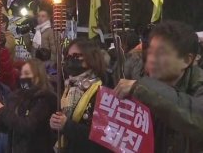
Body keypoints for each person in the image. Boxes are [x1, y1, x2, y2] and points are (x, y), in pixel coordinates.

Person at [114, 21, 203, 152]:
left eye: (161, 54)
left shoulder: (198, 84)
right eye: (151, 52)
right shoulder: (139, 85)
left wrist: (140, 90)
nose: (152, 59)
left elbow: (196, 117)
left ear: (186, 60)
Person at [49, 38, 112, 153]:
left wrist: (66, 125)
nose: (70, 60)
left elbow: (101, 137)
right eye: (68, 57)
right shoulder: (69, 87)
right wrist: (56, 124)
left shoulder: (104, 90)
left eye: (75, 56)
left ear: (90, 57)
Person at [0, 58, 57, 153]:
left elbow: (27, 125)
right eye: (21, 74)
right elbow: (10, 126)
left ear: (38, 76)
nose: (23, 77)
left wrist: (2, 112)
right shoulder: (18, 96)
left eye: (27, 74)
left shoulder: (46, 98)